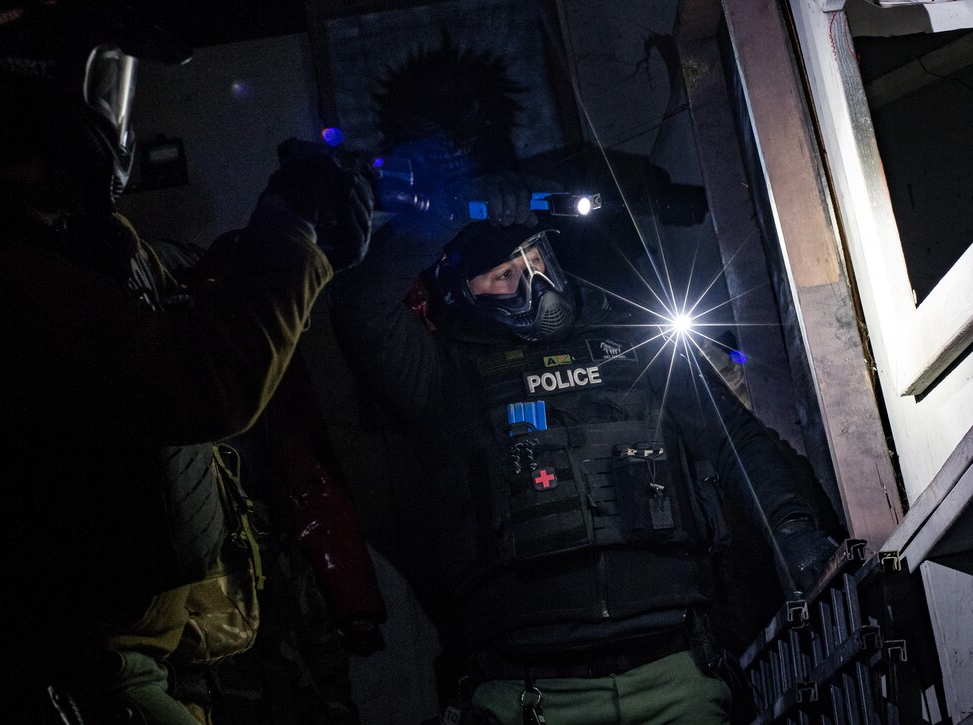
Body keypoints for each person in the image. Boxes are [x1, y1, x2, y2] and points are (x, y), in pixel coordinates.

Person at [0, 1, 371, 722]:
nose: (119, 117)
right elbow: (194, 384)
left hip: (115, 660)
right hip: (60, 674)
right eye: (104, 85)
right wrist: (289, 233)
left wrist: (261, 255)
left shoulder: (17, 244)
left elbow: (155, 299)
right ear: (29, 100)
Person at [328, 209, 839, 722]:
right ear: (464, 294)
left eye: (537, 261)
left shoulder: (638, 344)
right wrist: (458, 203)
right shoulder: (442, 375)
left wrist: (791, 531)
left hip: (674, 671)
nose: (536, 286)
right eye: (505, 276)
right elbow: (360, 303)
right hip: (527, 693)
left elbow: (737, 441)